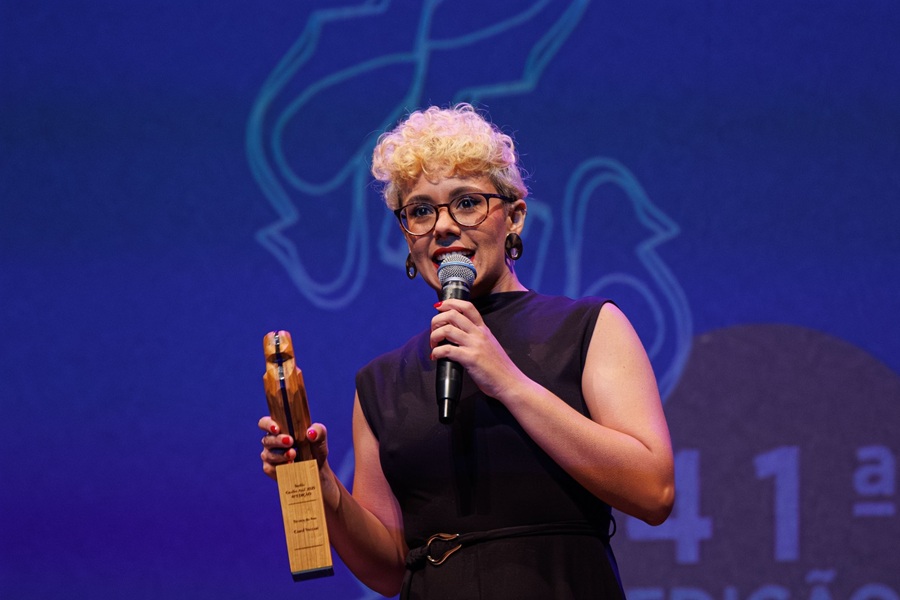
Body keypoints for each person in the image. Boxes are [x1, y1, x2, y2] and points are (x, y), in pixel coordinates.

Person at [259, 103, 674, 599]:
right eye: (420, 211)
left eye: (467, 203)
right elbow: (390, 569)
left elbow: (654, 491)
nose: (443, 227)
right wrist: (323, 483)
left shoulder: (588, 328)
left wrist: (509, 382)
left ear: (514, 216)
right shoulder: (381, 383)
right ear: (406, 236)